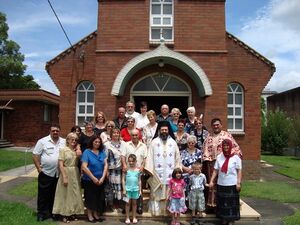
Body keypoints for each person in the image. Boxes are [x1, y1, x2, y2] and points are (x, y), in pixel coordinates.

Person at [202, 118, 242, 208]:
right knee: (212, 184)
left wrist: (233, 158)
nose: (216, 126)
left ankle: (222, 204)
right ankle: (211, 204)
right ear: (212, 126)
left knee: (224, 184)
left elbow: (235, 148)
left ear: (221, 125)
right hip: (211, 163)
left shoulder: (227, 135)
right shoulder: (209, 137)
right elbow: (204, 150)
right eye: (214, 125)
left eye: (217, 125)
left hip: (225, 163)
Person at [145, 120, 182, 216]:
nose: (164, 131)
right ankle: (157, 212)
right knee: (157, 194)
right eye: (162, 130)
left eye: (166, 130)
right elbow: (149, 157)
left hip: (170, 175)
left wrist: (178, 171)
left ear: (168, 130)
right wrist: (150, 170)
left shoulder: (173, 143)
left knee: (170, 193)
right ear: (159, 131)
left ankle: (169, 212)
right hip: (157, 175)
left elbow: (177, 158)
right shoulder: (154, 142)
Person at [32, 124, 66, 221]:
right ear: (50, 131)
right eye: (53, 131)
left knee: (55, 194)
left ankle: (53, 212)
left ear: (60, 131)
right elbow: (35, 155)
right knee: (43, 194)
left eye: (57, 131)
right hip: (46, 173)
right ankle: (41, 213)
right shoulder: (42, 141)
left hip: (58, 173)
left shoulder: (63, 142)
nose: (55, 132)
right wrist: (39, 168)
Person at [52, 132, 84, 223]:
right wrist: (65, 176)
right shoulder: (63, 150)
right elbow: (60, 165)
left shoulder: (76, 151)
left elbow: (80, 160)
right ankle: (64, 214)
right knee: (65, 194)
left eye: (75, 140)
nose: (74, 141)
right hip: (66, 172)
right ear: (68, 140)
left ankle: (72, 212)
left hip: (75, 173)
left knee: (74, 193)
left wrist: (78, 149)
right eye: (72, 139)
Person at [209, 139, 242, 225]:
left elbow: (239, 171)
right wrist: (212, 181)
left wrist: (238, 182)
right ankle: (223, 219)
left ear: (230, 146)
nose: (226, 147)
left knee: (231, 204)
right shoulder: (219, 157)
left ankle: (231, 220)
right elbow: (216, 170)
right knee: (222, 203)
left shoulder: (236, 157)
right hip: (221, 184)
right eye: (224, 146)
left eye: (227, 145)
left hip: (232, 184)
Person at [81, 135, 108, 223]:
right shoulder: (87, 152)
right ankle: (90, 215)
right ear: (92, 142)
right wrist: (93, 178)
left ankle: (96, 214)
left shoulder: (101, 152)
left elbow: (105, 165)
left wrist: (103, 177)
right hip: (89, 180)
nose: (97, 143)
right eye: (95, 142)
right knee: (90, 198)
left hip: (100, 180)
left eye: (99, 142)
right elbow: (84, 167)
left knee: (98, 198)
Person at [121, 128, 147, 214]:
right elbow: (123, 156)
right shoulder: (126, 145)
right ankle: (127, 206)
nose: (135, 136)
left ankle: (139, 206)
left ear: (139, 135)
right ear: (131, 136)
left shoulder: (143, 145)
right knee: (126, 189)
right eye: (133, 135)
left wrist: (143, 166)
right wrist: (124, 165)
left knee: (139, 189)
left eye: (136, 135)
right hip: (128, 171)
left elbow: (145, 158)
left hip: (138, 171)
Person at [105, 128, 126, 211]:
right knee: (112, 187)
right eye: (114, 133)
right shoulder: (107, 145)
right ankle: (112, 204)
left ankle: (120, 204)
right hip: (111, 170)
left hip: (121, 169)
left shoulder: (123, 144)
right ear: (111, 134)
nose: (116, 134)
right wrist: (106, 170)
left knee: (120, 187)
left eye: (117, 133)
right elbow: (105, 159)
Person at [122, 154, 142, 224]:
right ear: (128, 161)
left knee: (134, 204)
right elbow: (123, 180)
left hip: (135, 190)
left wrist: (140, 190)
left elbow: (139, 180)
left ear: (135, 161)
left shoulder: (138, 170)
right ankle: (127, 217)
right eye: (129, 161)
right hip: (127, 190)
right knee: (127, 204)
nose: (131, 163)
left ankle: (134, 217)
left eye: (132, 161)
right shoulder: (126, 170)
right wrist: (124, 189)